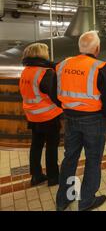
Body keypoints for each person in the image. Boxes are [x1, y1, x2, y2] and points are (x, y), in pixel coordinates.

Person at [56, 31, 106, 211]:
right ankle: (87, 200)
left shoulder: (62, 65)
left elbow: (53, 92)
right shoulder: (100, 67)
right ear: (97, 49)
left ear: (79, 47)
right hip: (94, 119)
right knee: (93, 158)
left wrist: (66, 107)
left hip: (69, 118)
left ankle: (63, 199)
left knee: (70, 158)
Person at [19, 43, 63, 187]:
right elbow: (54, 95)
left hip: (32, 115)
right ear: (41, 54)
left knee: (36, 145)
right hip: (48, 115)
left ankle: (36, 175)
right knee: (51, 146)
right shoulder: (45, 73)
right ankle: (53, 177)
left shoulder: (26, 71)